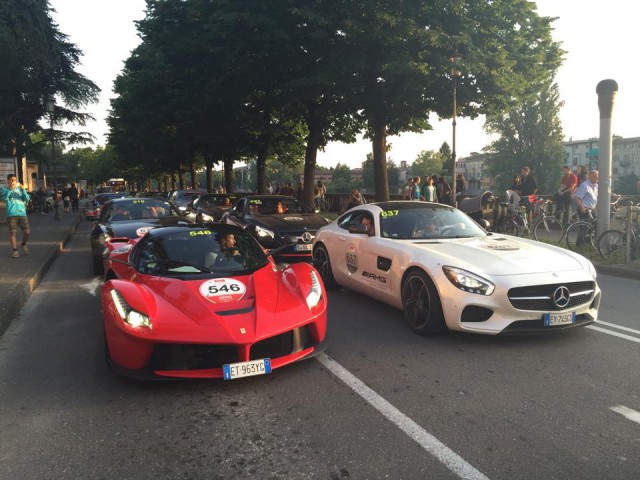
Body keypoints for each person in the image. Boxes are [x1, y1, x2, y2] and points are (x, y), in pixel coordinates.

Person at [1, 174, 31, 258]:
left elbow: (27, 198)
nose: (13, 181)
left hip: (22, 213)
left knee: (27, 232)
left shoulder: (19, 189)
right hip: (11, 213)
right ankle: (15, 250)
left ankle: (23, 244)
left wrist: (23, 190)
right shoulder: (4, 189)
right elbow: (4, 198)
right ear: (8, 181)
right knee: (13, 232)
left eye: (14, 180)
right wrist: (11, 189)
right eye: (11, 180)